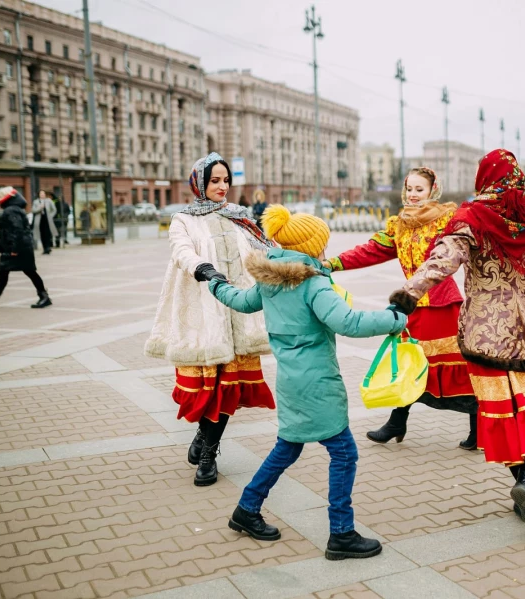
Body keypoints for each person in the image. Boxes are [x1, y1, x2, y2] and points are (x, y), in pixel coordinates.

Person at [209, 204, 406, 560]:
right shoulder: (313, 283)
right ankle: (341, 534)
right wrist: (394, 319)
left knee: (288, 447)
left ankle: (246, 509)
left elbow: (238, 300)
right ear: (312, 247)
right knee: (344, 453)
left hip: (290, 382)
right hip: (317, 383)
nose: (325, 250)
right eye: (322, 244)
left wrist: (214, 282)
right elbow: (349, 323)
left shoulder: (269, 281)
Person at [388, 149, 525, 530]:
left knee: (503, 408)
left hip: (486, 329)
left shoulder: (471, 219)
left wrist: (407, 294)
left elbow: (443, 261)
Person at [144, 152, 276, 486]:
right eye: (214, 180)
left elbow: (266, 249)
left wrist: (300, 254)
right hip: (207, 315)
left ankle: (208, 451)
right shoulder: (184, 219)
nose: (222, 186)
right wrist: (202, 268)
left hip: (239, 313)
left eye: (225, 180)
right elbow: (181, 250)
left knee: (229, 389)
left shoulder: (240, 218)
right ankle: (203, 437)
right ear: (199, 183)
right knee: (209, 387)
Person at [324, 167, 477, 449]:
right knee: (407, 363)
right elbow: (370, 250)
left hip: (442, 305)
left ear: (433, 190)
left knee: (450, 366)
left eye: (420, 189)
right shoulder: (400, 224)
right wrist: (332, 263)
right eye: (409, 189)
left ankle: (478, 424)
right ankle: (397, 422)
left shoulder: (447, 220)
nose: (413, 195)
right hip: (411, 305)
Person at [0, 187, 52, 309]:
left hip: (17, 247)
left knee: (27, 271)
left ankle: (44, 296)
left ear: (8, 197)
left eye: (1, 195)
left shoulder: (11, 210)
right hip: (20, 246)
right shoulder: (14, 209)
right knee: (5, 270)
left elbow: (17, 230)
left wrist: (14, 249)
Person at [32, 190, 58, 255]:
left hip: (47, 220)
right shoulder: (36, 202)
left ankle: (48, 247)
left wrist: (50, 216)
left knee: (48, 234)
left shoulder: (49, 201)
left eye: (43, 194)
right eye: (41, 194)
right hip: (40, 220)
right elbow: (33, 210)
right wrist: (39, 208)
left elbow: (54, 210)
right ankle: (45, 248)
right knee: (42, 234)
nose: (42, 195)